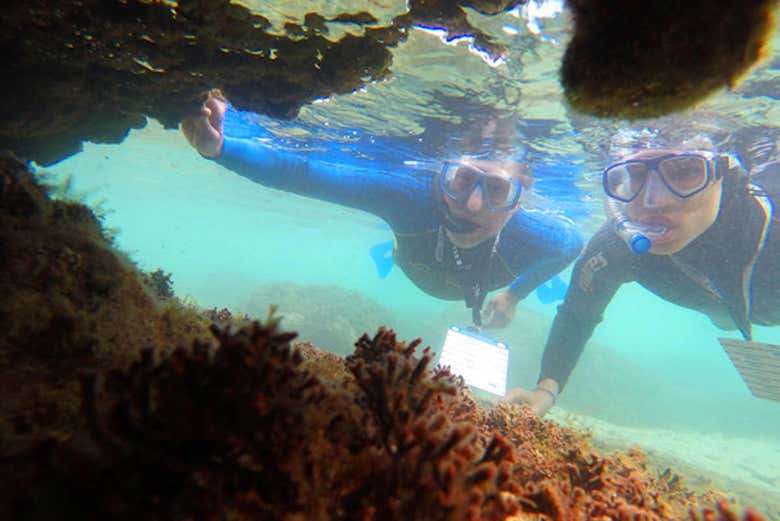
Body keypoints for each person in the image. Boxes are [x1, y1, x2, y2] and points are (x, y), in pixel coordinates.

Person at [181, 93, 583, 329]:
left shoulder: (542, 235)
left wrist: (515, 295)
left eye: (497, 189)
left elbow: (572, 246)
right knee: (399, 244)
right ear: (440, 172)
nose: (472, 204)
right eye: (461, 179)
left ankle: (390, 251)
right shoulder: (408, 197)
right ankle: (388, 253)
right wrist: (222, 149)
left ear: (518, 204)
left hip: (456, 275)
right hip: (413, 259)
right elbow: (297, 170)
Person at [503, 116, 780, 415]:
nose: (653, 201)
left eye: (686, 171)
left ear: (727, 173)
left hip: (742, 305)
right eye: (634, 175)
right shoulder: (617, 247)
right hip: (725, 309)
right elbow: (577, 315)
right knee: (723, 317)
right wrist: (545, 390)